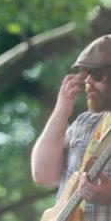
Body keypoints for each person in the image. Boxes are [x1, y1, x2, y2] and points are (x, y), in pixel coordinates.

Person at [31, 34, 111, 220]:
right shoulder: (85, 123)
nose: (88, 81)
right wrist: (62, 109)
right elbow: (43, 176)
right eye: (86, 73)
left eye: (97, 74)